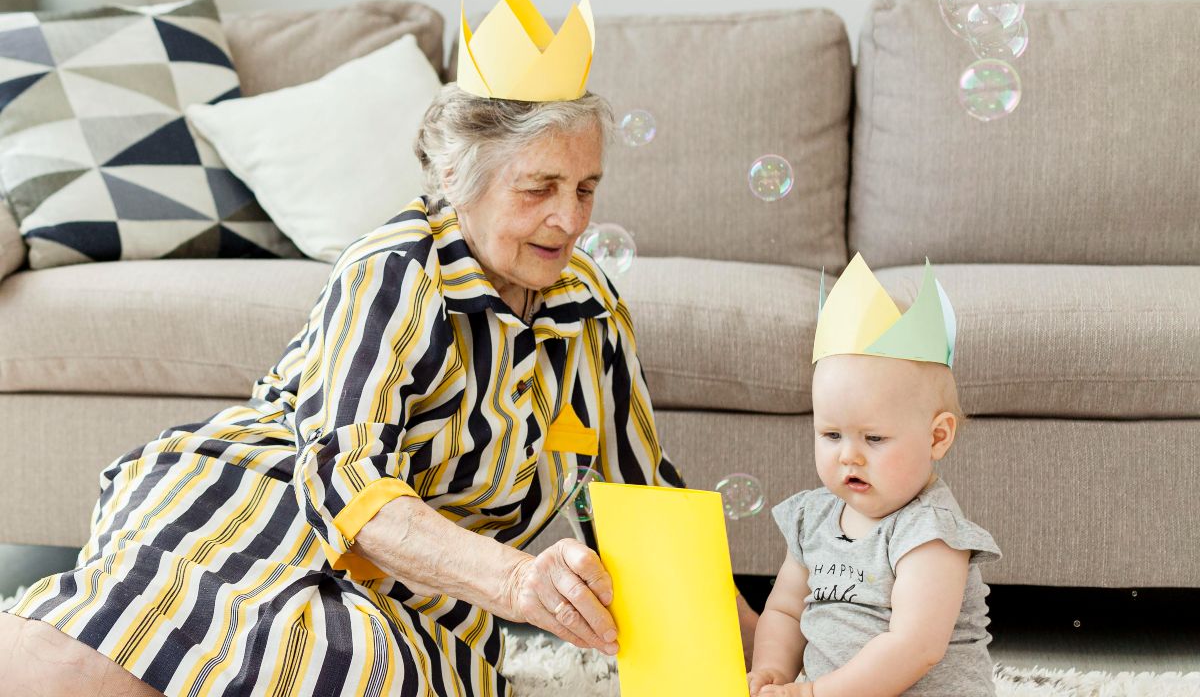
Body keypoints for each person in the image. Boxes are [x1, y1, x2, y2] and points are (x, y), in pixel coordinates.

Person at [0, 45, 760, 697]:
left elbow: (648, 496)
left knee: (356, 665)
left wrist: (772, 656)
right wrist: (518, 582)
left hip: (429, 585)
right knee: (97, 661)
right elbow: (348, 487)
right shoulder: (395, 273)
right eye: (540, 189)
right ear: (461, 176)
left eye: (586, 188)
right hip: (270, 503)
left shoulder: (589, 304)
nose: (573, 220)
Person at [747, 256, 1002, 697]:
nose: (849, 456)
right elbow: (787, 611)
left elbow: (914, 646)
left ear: (937, 437)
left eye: (875, 438)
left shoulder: (930, 533)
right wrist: (772, 669)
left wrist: (812, 693)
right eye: (831, 435)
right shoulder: (813, 518)